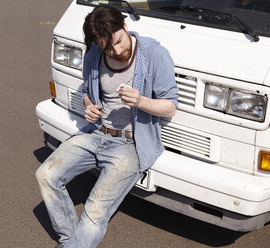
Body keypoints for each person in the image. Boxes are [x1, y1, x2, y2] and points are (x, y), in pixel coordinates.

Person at [35, 5, 178, 248]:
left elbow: (170, 106)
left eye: (118, 41)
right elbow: (87, 91)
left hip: (130, 144)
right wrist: (89, 104)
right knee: (46, 175)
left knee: (95, 210)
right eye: (107, 47)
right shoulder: (94, 53)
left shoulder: (154, 54)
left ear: (125, 26)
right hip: (97, 134)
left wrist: (141, 101)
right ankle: (70, 241)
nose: (116, 50)